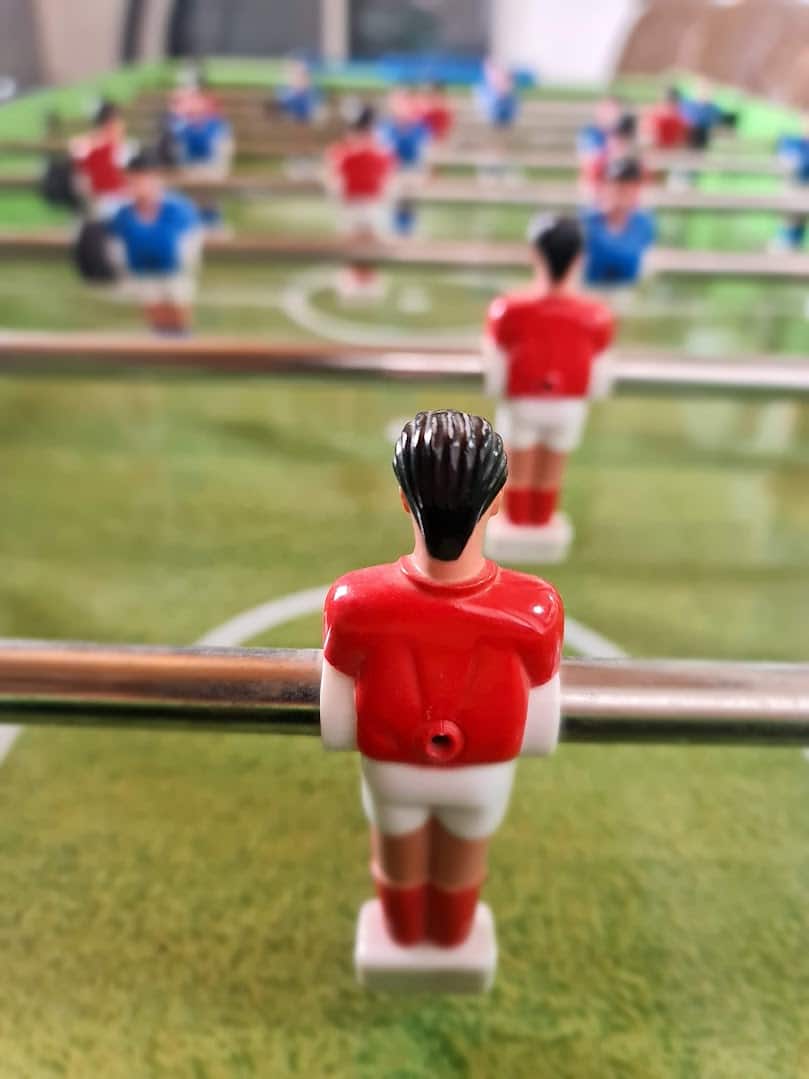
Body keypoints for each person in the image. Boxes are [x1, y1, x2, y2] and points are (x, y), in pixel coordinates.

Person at [321, 409, 563, 991]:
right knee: (461, 863)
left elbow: (334, 714)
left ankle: (404, 938)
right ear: (497, 501)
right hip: (482, 776)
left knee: (397, 857)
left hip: (392, 771)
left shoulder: (354, 602)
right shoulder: (536, 609)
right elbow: (541, 723)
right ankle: (450, 941)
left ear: (405, 500)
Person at [482, 216, 614, 559]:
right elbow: (601, 373)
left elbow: (494, 367)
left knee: (518, 471)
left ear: (535, 255)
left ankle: (516, 522)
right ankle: (540, 522)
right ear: (579, 259)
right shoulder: (596, 316)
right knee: (551, 471)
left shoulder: (508, 310)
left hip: (522, 402)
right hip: (568, 406)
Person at [106, 150, 203, 334]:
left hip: (175, 275)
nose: (138, 186)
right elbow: (117, 249)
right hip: (142, 276)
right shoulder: (123, 215)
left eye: (142, 180)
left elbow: (190, 246)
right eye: (133, 181)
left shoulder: (178, 209)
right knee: (156, 317)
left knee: (178, 316)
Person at [325, 104, 395, 298]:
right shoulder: (345, 151)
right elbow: (335, 176)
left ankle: (364, 280)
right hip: (357, 202)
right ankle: (356, 279)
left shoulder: (378, 151)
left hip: (368, 202)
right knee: (356, 241)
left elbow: (386, 175)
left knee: (364, 240)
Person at [581, 157, 656, 288]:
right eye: (619, 184)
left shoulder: (644, 224)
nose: (624, 190)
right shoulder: (586, 222)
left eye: (630, 186)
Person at [377, 93, 432, 235]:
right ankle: (396, 231)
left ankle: (408, 230)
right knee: (394, 201)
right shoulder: (385, 127)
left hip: (412, 170)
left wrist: (425, 171)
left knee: (409, 201)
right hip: (392, 172)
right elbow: (382, 152)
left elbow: (424, 153)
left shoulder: (420, 128)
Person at [70, 101, 131, 220]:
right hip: (106, 201)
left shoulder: (82, 144)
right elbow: (81, 180)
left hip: (106, 200)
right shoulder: (89, 146)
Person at [167, 87, 233, 181]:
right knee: (177, 143)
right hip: (188, 167)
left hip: (213, 169)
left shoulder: (219, 124)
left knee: (223, 140)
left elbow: (218, 149)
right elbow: (176, 142)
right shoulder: (181, 123)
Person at [643, 87, 690, 151]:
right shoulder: (682, 118)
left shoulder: (656, 115)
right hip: (672, 150)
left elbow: (649, 138)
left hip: (663, 150)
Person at [274, 60, 320, 124]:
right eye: (296, 75)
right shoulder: (284, 95)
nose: (299, 79)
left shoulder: (312, 95)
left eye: (303, 76)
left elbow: (316, 114)